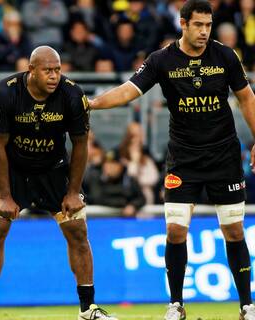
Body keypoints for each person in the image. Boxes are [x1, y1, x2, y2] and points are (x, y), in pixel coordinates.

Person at [89, 1, 255, 319]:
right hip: (183, 159)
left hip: (224, 157)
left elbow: (246, 97)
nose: (205, 31)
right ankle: (176, 304)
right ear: (183, 23)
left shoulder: (225, 56)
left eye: (209, 25)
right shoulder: (162, 60)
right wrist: (92, 103)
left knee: (234, 230)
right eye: (199, 25)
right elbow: (129, 90)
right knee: (175, 231)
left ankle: (247, 305)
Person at [0, 46, 117, 320]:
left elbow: (80, 145)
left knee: (77, 231)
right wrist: (5, 195)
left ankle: (87, 308)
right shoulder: (4, 94)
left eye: (57, 70)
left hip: (53, 170)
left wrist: (74, 191)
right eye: (47, 70)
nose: (54, 76)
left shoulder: (73, 95)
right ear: (31, 70)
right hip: (11, 170)